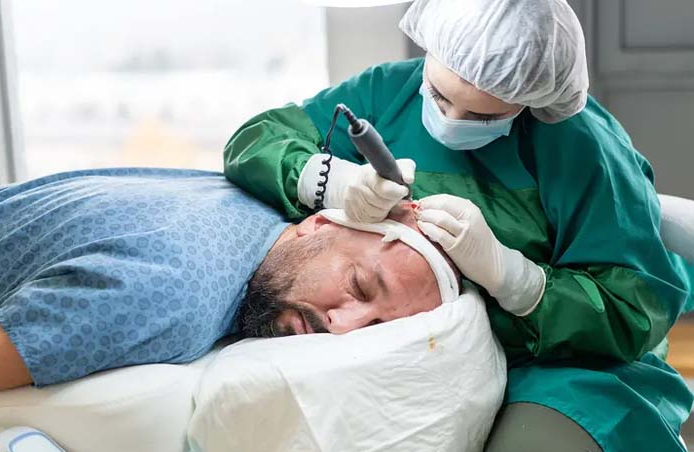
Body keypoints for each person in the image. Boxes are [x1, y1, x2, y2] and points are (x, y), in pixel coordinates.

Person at [222, 0, 694, 450]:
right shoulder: (389, 93)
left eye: (483, 116)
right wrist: (331, 181)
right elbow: (256, 141)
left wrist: (519, 281)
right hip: (424, 357)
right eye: (441, 96)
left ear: (530, 101)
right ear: (431, 51)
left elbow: (638, 309)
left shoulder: (582, 148)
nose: (451, 121)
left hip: (560, 369)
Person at [0, 168, 457, 394]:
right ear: (320, 223)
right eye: (360, 286)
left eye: (374, 327)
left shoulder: (247, 202)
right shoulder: (172, 297)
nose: (343, 326)